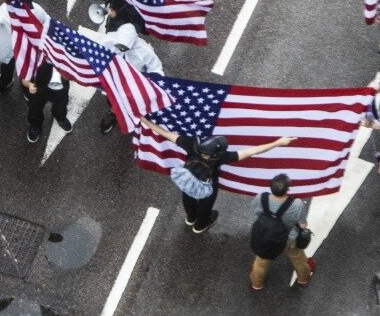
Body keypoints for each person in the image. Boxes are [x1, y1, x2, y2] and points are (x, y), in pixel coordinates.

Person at [139, 116, 294, 233]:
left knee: (187, 197)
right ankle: (200, 225)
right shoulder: (222, 157)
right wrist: (277, 143)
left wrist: (144, 120)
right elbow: (253, 151)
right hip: (207, 185)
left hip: (187, 181)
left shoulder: (191, 144)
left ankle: (191, 218)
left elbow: (165, 133)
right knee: (206, 204)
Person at [248, 174, 316, 289]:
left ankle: (257, 283)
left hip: (266, 235)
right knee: (298, 257)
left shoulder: (261, 197)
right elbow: (303, 225)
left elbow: (256, 212)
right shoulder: (297, 204)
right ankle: (303, 278)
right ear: (287, 189)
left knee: (261, 261)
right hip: (289, 238)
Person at [0, 0, 50, 98]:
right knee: (6, 66)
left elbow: (46, 23)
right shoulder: (4, 11)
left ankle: (26, 87)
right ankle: (6, 81)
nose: (28, 9)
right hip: (10, 47)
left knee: (27, 69)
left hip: (28, 48)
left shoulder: (37, 10)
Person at [99, 23, 162, 133]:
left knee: (133, 103)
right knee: (113, 99)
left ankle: (133, 116)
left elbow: (156, 69)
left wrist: (149, 85)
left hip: (136, 81)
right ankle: (114, 113)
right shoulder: (107, 41)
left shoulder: (145, 51)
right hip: (115, 77)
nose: (121, 49)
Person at [23, 61, 68, 144]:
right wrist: (29, 84)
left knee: (61, 102)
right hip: (39, 78)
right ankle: (35, 124)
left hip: (61, 74)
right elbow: (24, 72)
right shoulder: (34, 51)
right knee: (35, 106)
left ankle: (59, 115)